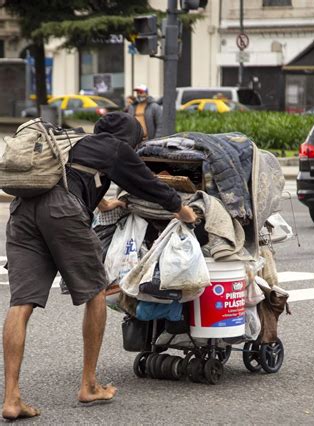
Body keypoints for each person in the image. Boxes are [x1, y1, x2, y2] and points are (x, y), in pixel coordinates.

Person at [2, 112, 196, 421]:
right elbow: (149, 185)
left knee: (21, 303)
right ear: (129, 138)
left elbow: (74, 177)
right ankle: (89, 385)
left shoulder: (77, 142)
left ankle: (11, 399)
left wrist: (104, 203)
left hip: (23, 212)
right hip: (61, 211)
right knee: (96, 292)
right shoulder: (117, 148)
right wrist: (182, 209)